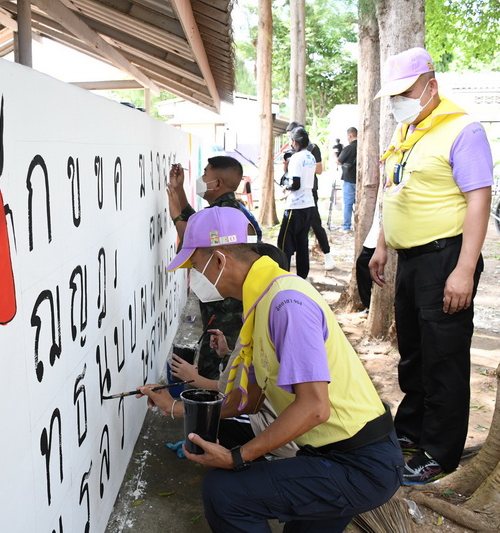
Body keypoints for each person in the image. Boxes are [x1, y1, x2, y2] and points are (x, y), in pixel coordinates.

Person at [141, 206, 403, 532]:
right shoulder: (261, 302)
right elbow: (247, 401)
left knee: (224, 494)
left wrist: (237, 457)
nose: (193, 279)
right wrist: (176, 408)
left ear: (219, 261)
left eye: (194, 267)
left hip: (358, 463)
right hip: (324, 453)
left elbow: (315, 407)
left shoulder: (286, 304)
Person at [369, 47, 493, 484]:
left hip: (446, 258)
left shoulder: (462, 130)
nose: (398, 102)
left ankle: (440, 452)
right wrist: (381, 245)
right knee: (414, 354)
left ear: (431, 86)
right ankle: (411, 431)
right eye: (394, 95)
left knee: (444, 358)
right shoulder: (406, 131)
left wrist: (464, 269)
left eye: (405, 92)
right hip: (411, 261)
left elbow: (479, 200)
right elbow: (393, 190)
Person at [168, 156, 260, 380]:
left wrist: (176, 217)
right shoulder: (227, 211)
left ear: (217, 183)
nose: (201, 178)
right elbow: (198, 225)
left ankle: (214, 397)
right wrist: (179, 192)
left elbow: (196, 241)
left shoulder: (228, 214)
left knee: (219, 366)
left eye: (205, 173)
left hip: (226, 309)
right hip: (222, 306)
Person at [169, 328, 298, 457]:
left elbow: (228, 392)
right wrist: (227, 354)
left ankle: (249, 462)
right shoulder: (261, 324)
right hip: (289, 422)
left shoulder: (258, 325)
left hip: (289, 435)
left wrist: (174, 406)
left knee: (211, 420)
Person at [285, 121, 335, 270]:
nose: (291, 142)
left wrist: (302, 165)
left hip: (309, 192)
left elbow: (319, 169)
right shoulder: (291, 151)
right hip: (293, 194)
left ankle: (327, 255)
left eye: (292, 138)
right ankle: (292, 256)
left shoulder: (312, 149)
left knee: (315, 224)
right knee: (293, 228)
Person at [277, 127, 317, 279]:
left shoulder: (296, 158)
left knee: (284, 243)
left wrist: (285, 187)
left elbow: (295, 184)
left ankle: (283, 275)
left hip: (295, 206)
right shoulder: (311, 157)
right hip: (309, 205)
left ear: (294, 142)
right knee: (302, 243)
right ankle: (302, 277)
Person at [355, 210, 380, 313]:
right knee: (362, 263)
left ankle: (369, 305)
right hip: (376, 230)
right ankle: (368, 305)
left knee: (363, 263)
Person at [338, 127, 358, 231]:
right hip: (360, 179)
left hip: (349, 179)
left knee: (348, 203)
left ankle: (346, 226)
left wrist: (335, 154)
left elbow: (339, 161)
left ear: (350, 136)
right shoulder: (362, 146)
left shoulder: (349, 148)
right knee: (359, 203)